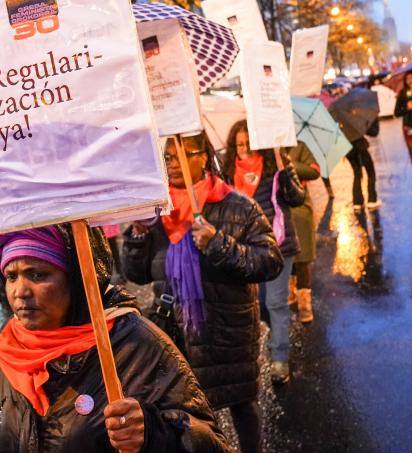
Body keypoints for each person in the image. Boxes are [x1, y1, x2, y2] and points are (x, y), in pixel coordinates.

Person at [0, 219, 231, 452]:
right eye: (11, 276)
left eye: (38, 274)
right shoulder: (5, 349)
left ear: (74, 278)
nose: (20, 291)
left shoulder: (135, 344)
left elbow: (211, 443)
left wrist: (153, 434)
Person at [122, 134, 283, 453]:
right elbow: (136, 275)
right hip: (178, 336)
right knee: (195, 421)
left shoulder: (238, 205)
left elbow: (270, 261)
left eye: (183, 153)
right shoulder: (155, 211)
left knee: (243, 408)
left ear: (205, 156)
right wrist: (138, 236)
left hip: (228, 331)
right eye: (166, 157)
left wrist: (218, 243)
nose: (173, 163)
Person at [222, 120, 305, 385]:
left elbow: (296, 198)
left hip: (280, 244)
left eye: (248, 144)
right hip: (249, 250)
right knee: (262, 308)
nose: (244, 150)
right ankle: (274, 332)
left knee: (276, 303)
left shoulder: (275, 164)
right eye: (239, 145)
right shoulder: (227, 172)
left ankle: (280, 359)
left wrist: (284, 166)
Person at [287, 142, 321, 323]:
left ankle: (304, 304)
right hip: (277, 212)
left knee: (302, 258)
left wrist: (289, 164)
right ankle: (290, 291)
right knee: (284, 257)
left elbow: (314, 171)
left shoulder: (299, 146)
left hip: (300, 209)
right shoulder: (264, 151)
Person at [345, 118, 380, 211]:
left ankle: (357, 202)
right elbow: (373, 132)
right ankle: (372, 199)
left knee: (357, 173)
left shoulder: (340, 115)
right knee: (370, 172)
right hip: (360, 145)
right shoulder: (357, 113)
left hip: (347, 147)